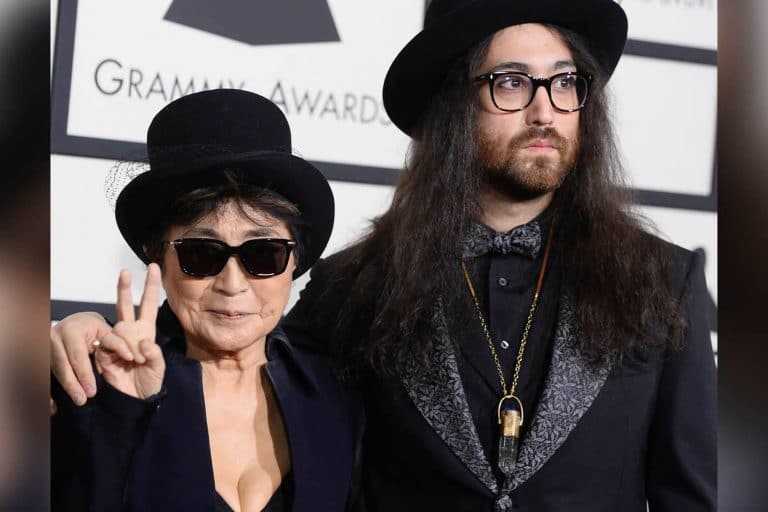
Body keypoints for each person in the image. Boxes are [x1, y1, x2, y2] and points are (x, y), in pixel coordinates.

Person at [52, 1, 716, 510]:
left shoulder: (666, 281)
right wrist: (86, 336)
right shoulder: (356, 284)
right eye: (512, 83)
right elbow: (231, 332)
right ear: (453, 105)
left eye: (565, 83)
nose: (544, 110)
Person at [50, 89, 361, 512]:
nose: (232, 284)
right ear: (156, 257)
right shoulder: (89, 384)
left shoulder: (339, 396)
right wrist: (119, 414)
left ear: (294, 261)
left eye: (264, 254)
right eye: (201, 255)